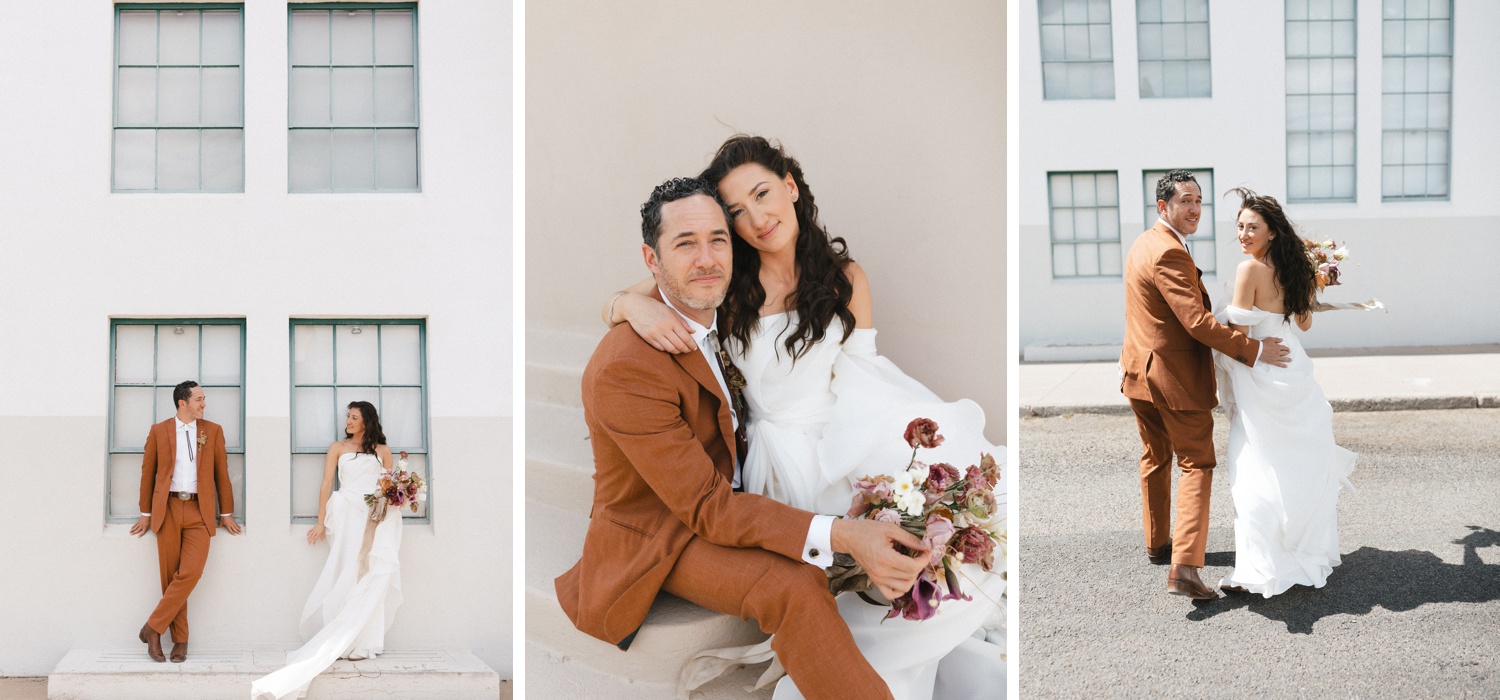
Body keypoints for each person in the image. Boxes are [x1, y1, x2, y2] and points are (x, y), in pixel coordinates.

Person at [603, 137, 1006, 699]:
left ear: (791, 185)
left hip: (841, 436)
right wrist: (629, 305)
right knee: (840, 589)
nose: (756, 218)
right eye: (736, 212)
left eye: (763, 194)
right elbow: (638, 291)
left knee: (922, 551)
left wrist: (896, 456)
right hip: (773, 457)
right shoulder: (722, 278)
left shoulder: (846, 277)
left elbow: (864, 376)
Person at [558, 176, 935, 700]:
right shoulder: (628, 367)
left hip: (729, 495)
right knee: (796, 586)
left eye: (718, 239)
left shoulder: (717, 307)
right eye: (685, 243)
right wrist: (847, 536)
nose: (707, 257)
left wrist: (625, 300)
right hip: (665, 532)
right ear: (651, 259)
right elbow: (708, 510)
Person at [1119, 170, 1289, 600]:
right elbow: (1195, 322)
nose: (1195, 209)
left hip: (1139, 373)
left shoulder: (1144, 242)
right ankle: (1185, 568)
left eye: (1199, 201)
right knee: (1197, 463)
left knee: (1156, 457)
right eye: (1185, 201)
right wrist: (1250, 348)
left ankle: (1159, 543)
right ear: (1164, 207)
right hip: (1172, 378)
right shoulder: (1169, 253)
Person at [1213, 188, 1356, 597]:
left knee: (1253, 462)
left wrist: (1217, 323)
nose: (1243, 234)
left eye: (1252, 227)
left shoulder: (1248, 271)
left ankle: (1263, 563)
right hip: (1292, 363)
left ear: (1272, 232)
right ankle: (1299, 546)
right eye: (1239, 227)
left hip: (1261, 366)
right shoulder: (1294, 271)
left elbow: (1239, 338)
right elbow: (1305, 325)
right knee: (1295, 459)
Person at [251, 402, 403, 700]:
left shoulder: (383, 450)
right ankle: (340, 638)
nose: (348, 421)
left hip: (373, 517)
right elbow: (325, 483)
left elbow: (389, 485)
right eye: (347, 416)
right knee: (347, 570)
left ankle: (364, 642)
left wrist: (393, 501)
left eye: (354, 417)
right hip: (346, 514)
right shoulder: (337, 447)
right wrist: (320, 521)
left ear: (366, 421)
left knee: (370, 573)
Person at [132, 380, 241, 663]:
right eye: (199, 400)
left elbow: (221, 473)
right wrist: (146, 513)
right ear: (183, 403)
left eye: (204, 399)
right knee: (170, 578)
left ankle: (152, 628)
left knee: (190, 572)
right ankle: (180, 641)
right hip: (166, 508)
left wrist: (226, 512)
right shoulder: (159, 431)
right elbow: (148, 473)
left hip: (199, 510)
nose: (204, 404)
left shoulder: (212, 431)